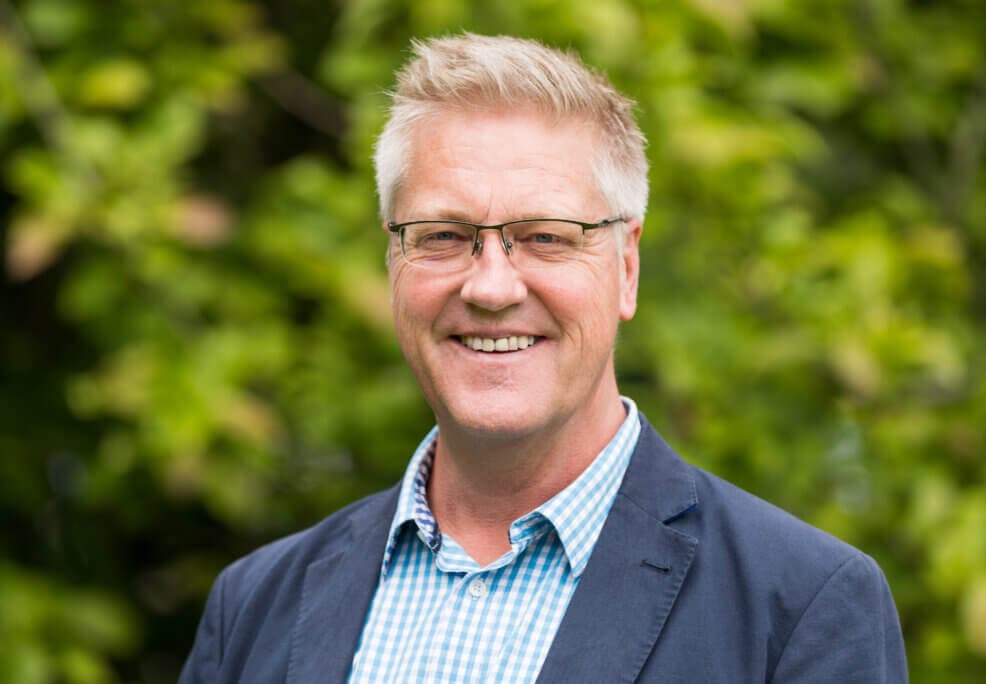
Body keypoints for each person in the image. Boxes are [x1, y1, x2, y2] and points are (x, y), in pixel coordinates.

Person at [180, 33, 907, 683]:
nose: (492, 285)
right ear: (392, 262)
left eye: (546, 237)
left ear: (626, 267)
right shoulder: (253, 607)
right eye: (441, 235)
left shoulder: (801, 606)